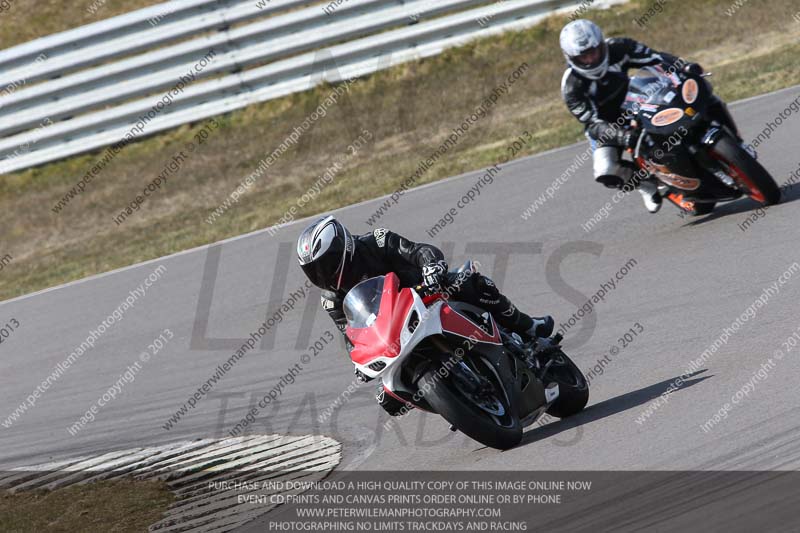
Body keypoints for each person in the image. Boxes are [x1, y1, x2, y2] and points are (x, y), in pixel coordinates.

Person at [296, 216, 554, 415]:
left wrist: (431, 267)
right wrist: (358, 363)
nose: (321, 274)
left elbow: (418, 251)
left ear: (343, 247)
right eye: (313, 271)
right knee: (388, 398)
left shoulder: (376, 241)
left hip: (428, 294)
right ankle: (460, 404)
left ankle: (527, 326)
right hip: (394, 332)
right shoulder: (331, 300)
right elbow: (350, 334)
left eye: (325, 264)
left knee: (469, 282)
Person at [559, 19, 743, 213]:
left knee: (702, 94)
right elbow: (592, 124)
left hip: (637, 98)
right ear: (571, 58)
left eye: (594, 51)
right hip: (606, 125)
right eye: (584, 56)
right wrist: (623, 136)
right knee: (605, 170)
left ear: (602, 45)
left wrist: (685, 67)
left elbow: (656, 58)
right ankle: (646, 185)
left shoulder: (620, 47)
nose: (591, 59)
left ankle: (734, 140)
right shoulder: (572, 87)